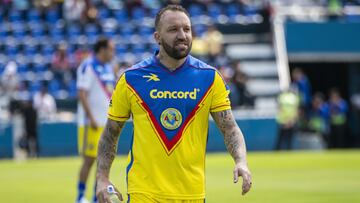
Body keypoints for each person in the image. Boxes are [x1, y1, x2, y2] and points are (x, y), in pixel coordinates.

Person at [96, 5, 252, 203]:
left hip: (192, 194)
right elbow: (110, 133)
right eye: (173, 29)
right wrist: (102, 179)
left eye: (186, 29)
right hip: (144, 193)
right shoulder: (131, 79)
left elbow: (230, 128)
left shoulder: (210, 78)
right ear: (157, 37)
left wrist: (241, 161)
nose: (182, 35)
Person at [76, 37, 116, 203]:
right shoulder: (87, 66)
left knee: (103, 162)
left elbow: (111, 93)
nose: (113, 53)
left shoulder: (108, 68)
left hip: (105, 123)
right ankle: (80, 196)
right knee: (89, 160)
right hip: (90, 123)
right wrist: (90, 117)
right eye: (111, 49)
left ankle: (95, 197)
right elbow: (82, 93)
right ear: (102, 49)